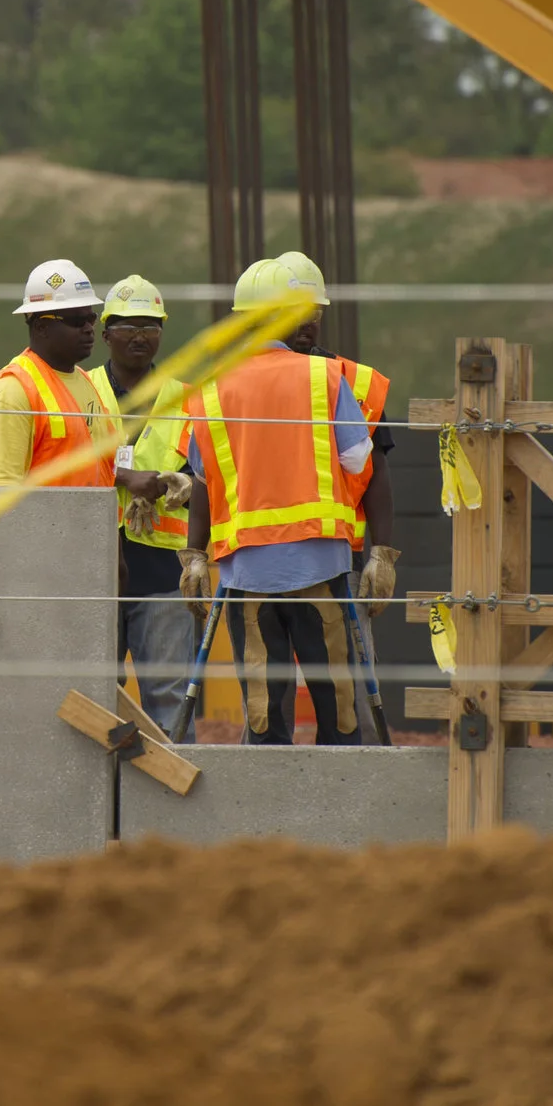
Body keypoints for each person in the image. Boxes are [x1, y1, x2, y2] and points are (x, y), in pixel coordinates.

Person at [177, 259, 377, 745]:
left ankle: (268, 812)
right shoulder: (325, 378)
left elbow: (202, 477)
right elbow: (356, 460)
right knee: (339, 709)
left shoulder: (210, 390)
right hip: (322, 569)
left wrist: (194, 554)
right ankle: (340, 806)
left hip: (247, 576)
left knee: (264, 713)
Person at [89, 275, 200, 735]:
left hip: (163, 572)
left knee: (171, 698)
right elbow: (54, 462)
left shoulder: (189, 399)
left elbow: (215, 473)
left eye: (150, 326)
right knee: (93, 695)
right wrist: (123, 477)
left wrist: (184, 483)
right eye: (128, 325)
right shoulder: (81, 392)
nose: (140, 335)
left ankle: (175, 801)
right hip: (89, 567)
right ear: (105, 332)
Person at [277, 249, 401, 616]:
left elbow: (376, 471)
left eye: (314, 313)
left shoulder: (355, 381)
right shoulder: (248, 382)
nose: (306, 323)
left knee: (342, 668)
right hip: (262, 551)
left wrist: (381, 553)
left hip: (341, 556)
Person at [0, 257, 118, 488]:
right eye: (77, 321)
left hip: (86, 523)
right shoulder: (11, 392)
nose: (89, 329)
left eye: (90, 318)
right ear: (41, 327)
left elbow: (104, 461)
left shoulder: (84, 382)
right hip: (40, 525)